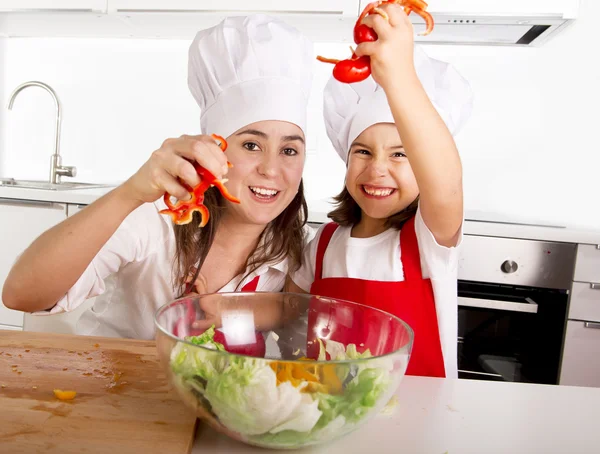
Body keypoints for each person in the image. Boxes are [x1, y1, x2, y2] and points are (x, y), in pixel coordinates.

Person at [2, 14, 316, 340]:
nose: (271, 169)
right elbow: (20, 295)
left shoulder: (295, 246)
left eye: (290, 150)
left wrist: (223, 310)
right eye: (252, 145)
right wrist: (131, 193)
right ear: (215, 150)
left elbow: (293, 311)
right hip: (113, 381)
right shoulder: (156, 220)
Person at [286, 4, 473, 378]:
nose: (377, 169)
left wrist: (399, 76)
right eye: (363, 151)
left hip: (419, 420)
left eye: (401, 154)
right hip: (331, 412)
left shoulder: (428, 238)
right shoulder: (323, 243)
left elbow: (445, 183)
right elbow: (287, 312)